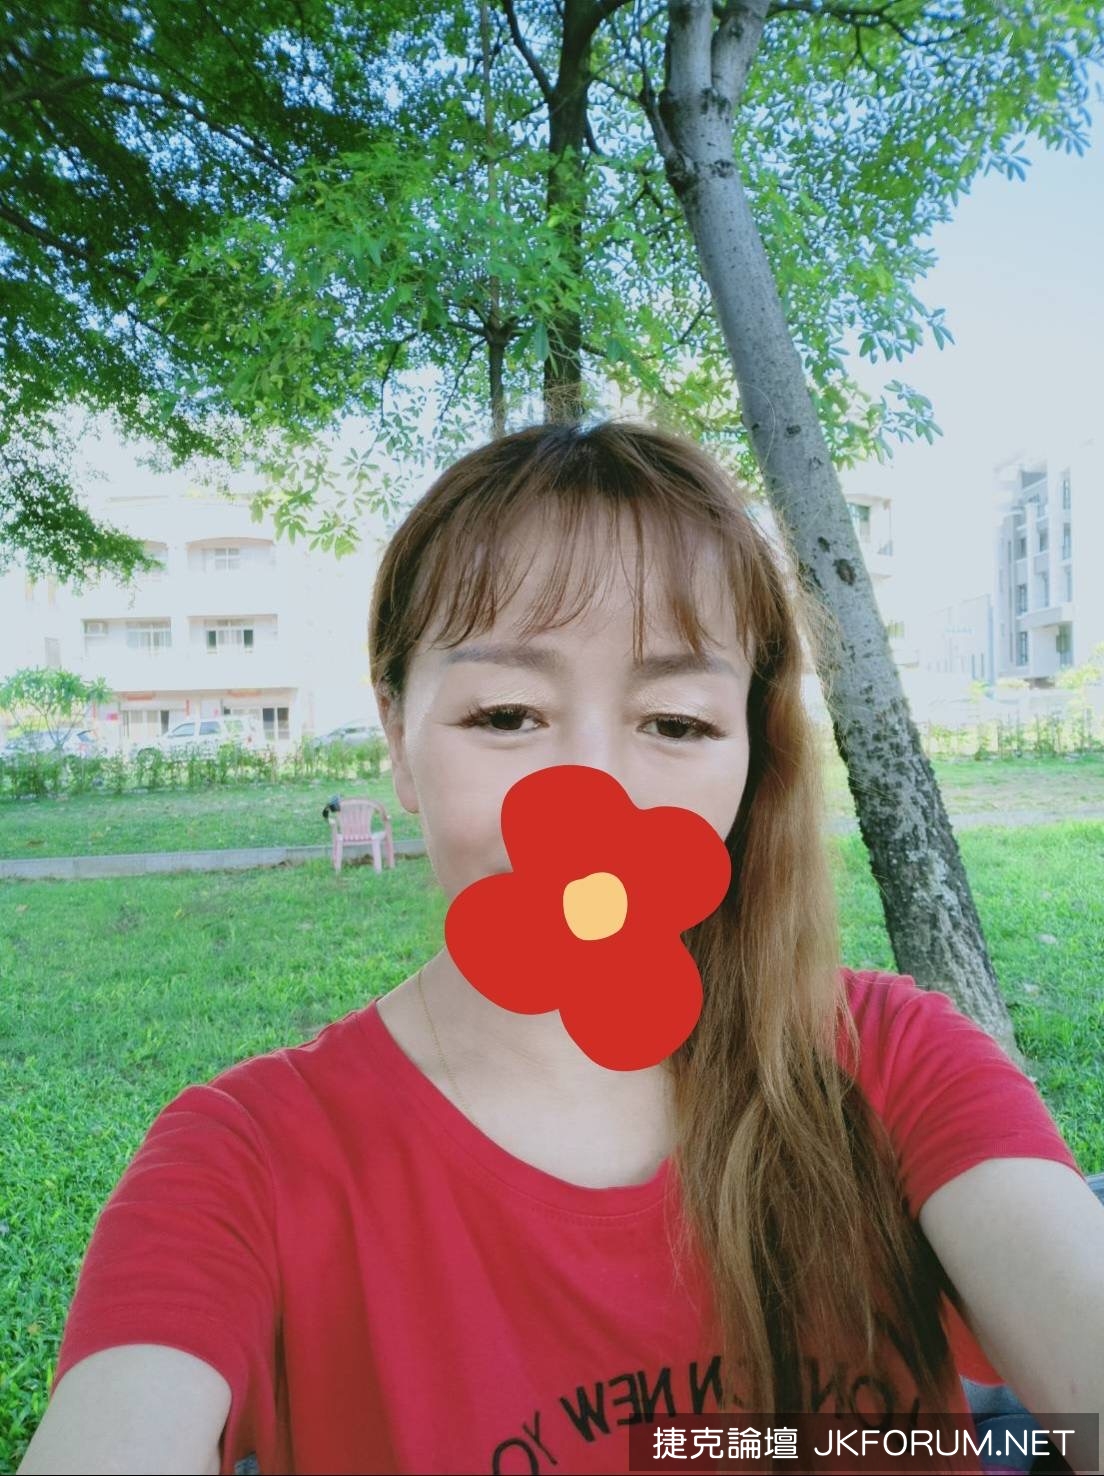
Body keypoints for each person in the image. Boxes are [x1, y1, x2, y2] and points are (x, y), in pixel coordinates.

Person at [19, 419, 1102, 1476]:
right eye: (506, 715)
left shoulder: (893, 1061)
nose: (594, 791)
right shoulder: (244, 1166)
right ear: (397, 738)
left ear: (752, 755)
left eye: (676, 722)